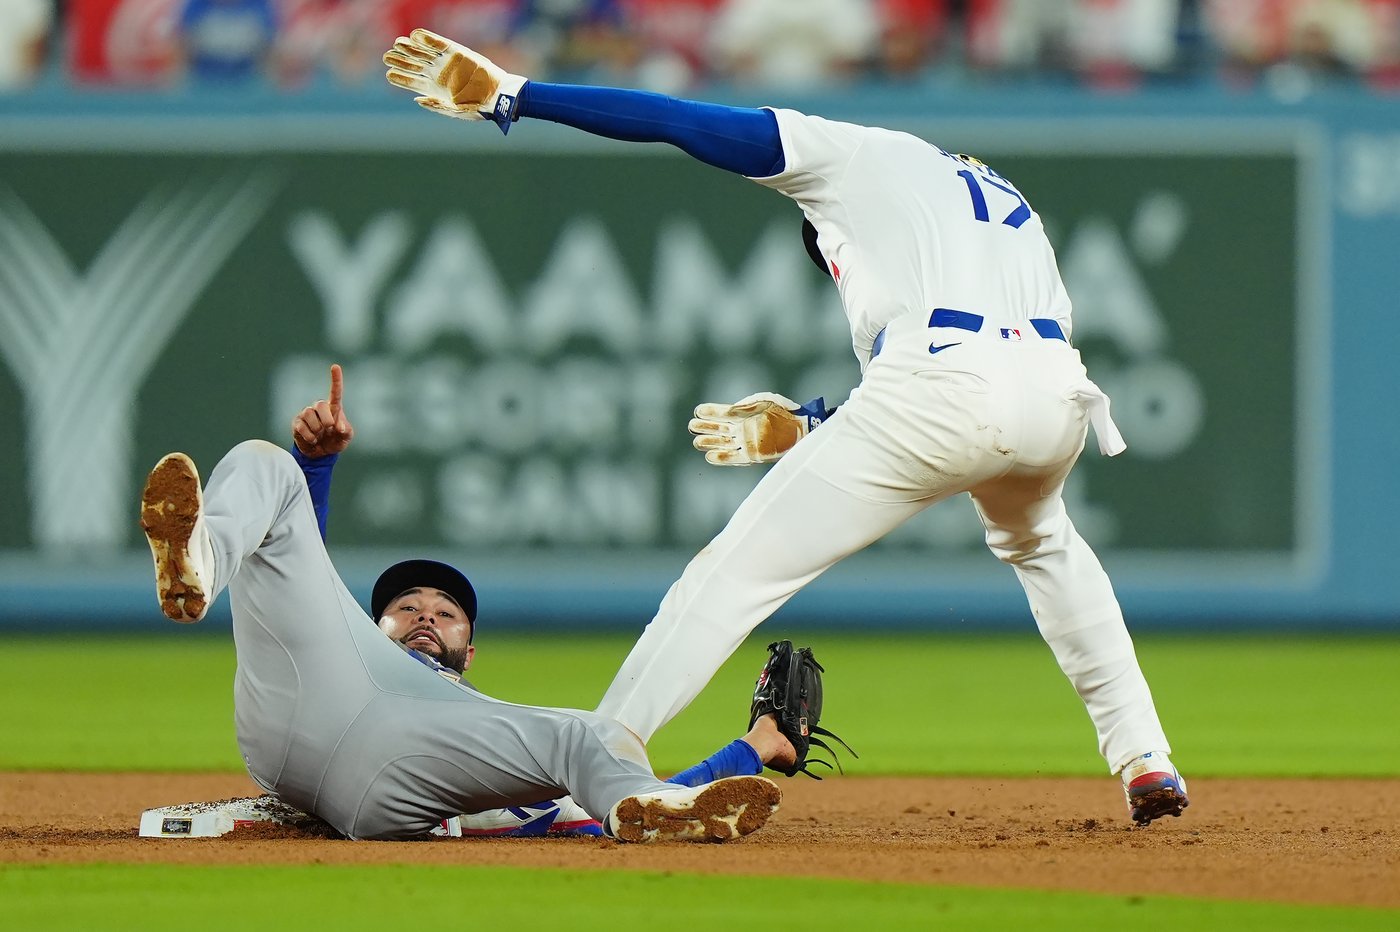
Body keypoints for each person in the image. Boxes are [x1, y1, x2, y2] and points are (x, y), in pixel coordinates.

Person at [381, 28, 1190, 827]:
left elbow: (673, 115)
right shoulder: (998, 205)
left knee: (730, 575)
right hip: (1058, 401)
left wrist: (518, 94)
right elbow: (984, 388)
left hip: (942, 388)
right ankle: (1145, 756)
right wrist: (811, 425)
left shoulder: (841, 157)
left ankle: (603, 760)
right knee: (1047, 549)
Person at [137, 381, 785, 844]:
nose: (424, 615)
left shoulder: (487, 739)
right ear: (370, 621)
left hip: (405, 771)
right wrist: (316, 463)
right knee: (265, 463)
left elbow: (583, 790)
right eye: (405, 606)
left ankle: (645, 820)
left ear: (469, 651)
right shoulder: (351, 644)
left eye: (445, 612)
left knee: (591, 738)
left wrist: (752, 749)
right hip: (310, 703)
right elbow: (304, 571)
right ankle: (196, 568)